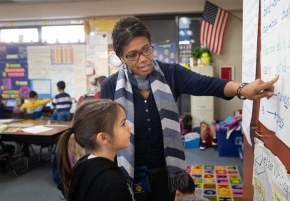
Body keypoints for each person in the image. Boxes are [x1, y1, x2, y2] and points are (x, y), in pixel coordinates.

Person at [101, 16, 279, 201]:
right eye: (133, 54)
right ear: (121, 57)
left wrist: (243, 89)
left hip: (166, 173)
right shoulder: (111, 86)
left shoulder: (171, 74)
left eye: (147, 49)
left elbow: (208, 84)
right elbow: (104, 134)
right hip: (128, 171)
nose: (143, 59)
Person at [56, 99, 135, 201]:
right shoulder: (113, 184)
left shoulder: (85, 162)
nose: (129, 128)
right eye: (123, 124)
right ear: (103, 138)